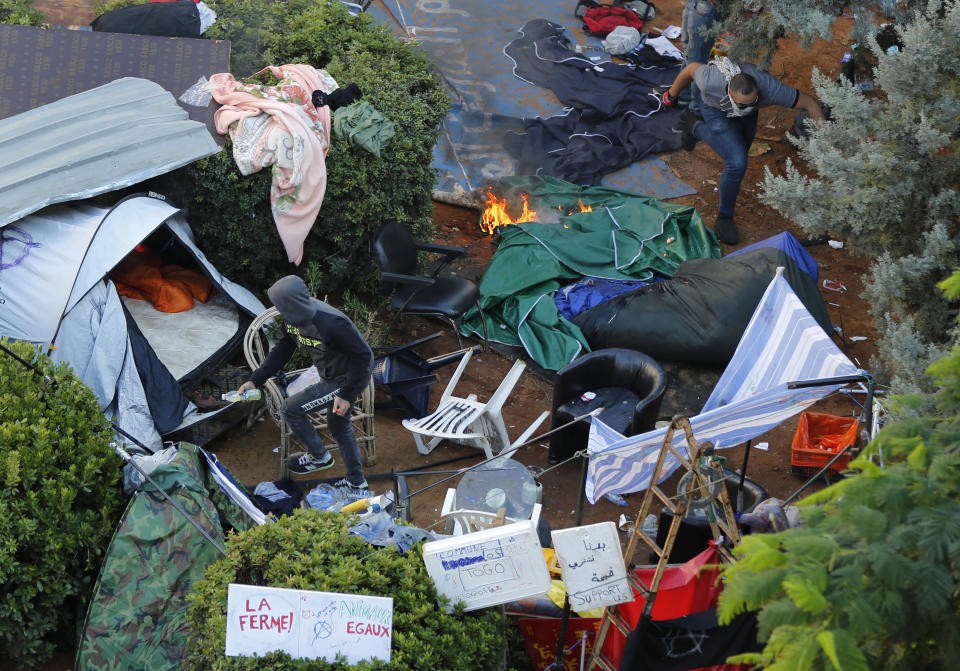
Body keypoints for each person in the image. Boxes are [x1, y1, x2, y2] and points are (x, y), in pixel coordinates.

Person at [658, 57, 825, 245]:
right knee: (736, 163)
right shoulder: (711, 80)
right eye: (742, 105)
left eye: (753, 102)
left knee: (740, 151)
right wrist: (671, 95)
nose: (747, 107)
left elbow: (810, 103)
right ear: (729, 91)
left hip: (748, 119)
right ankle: (725, 218)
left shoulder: (769, 88)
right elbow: (690, 70)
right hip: (715, 109)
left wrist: (824, 139)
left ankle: (693, 127)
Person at [239, 275, 373, 494]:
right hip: (328, 376)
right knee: (339, 425)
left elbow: (364, 356)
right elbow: (283, 349)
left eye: (279, 305)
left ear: (291, 303)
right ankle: (357, 482)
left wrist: (347, 394)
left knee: (290, 408)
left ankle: (320, 456)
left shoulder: (331, 323)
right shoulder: (291, 319)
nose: (278, 309)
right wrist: (256, 379)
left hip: (346, 379)